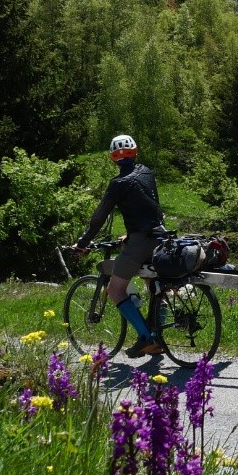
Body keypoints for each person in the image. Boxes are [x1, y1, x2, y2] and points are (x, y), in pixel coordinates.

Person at [73, 133, 167, 357]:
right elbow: (148, 206)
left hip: (141, 241)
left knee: (115, 290)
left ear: (112, 158)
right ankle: (156, 331)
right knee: (152, 284)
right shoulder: (147, 172)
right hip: (160, 235)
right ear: (135, 153)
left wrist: (83, 242)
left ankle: (147, 338)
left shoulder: (118, 184)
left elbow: (99, 217)